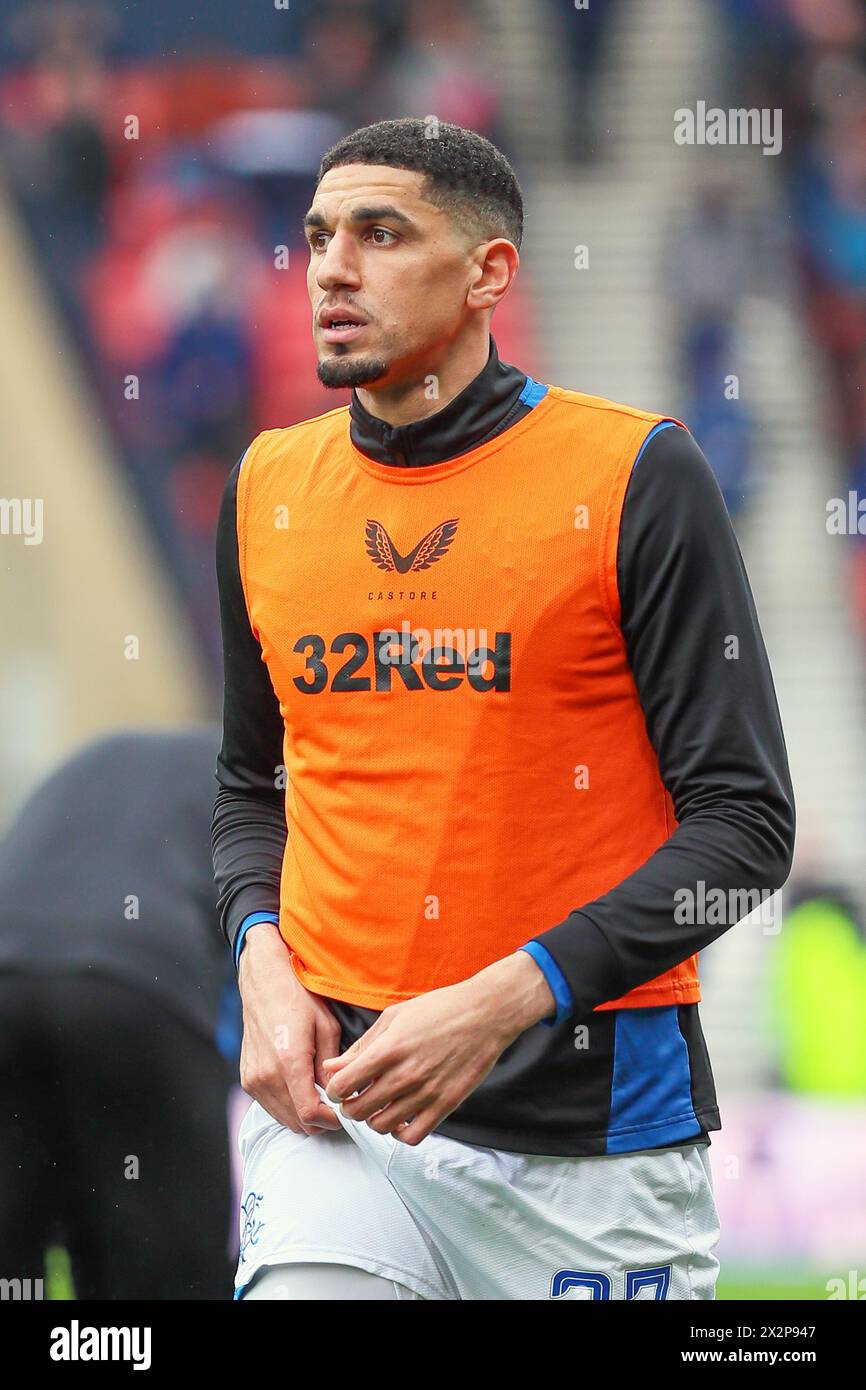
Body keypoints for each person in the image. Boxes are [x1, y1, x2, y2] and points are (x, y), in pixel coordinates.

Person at [211, 117, 796, 1301]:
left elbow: (743, 834)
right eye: (320, 235)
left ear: (488, 275)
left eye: (380, 234)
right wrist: (256, 955)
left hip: (591, 1130)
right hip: (342, 1123)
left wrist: (504, 997)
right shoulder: (265, 485)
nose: (330, 265)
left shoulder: (635, 475)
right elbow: (246, 788)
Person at [0, 726, 238, 1299]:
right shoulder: (251, 780)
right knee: (166, 1259)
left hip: (8, 979)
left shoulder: (105, 753)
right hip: (140, 989)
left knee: (15, 1253)